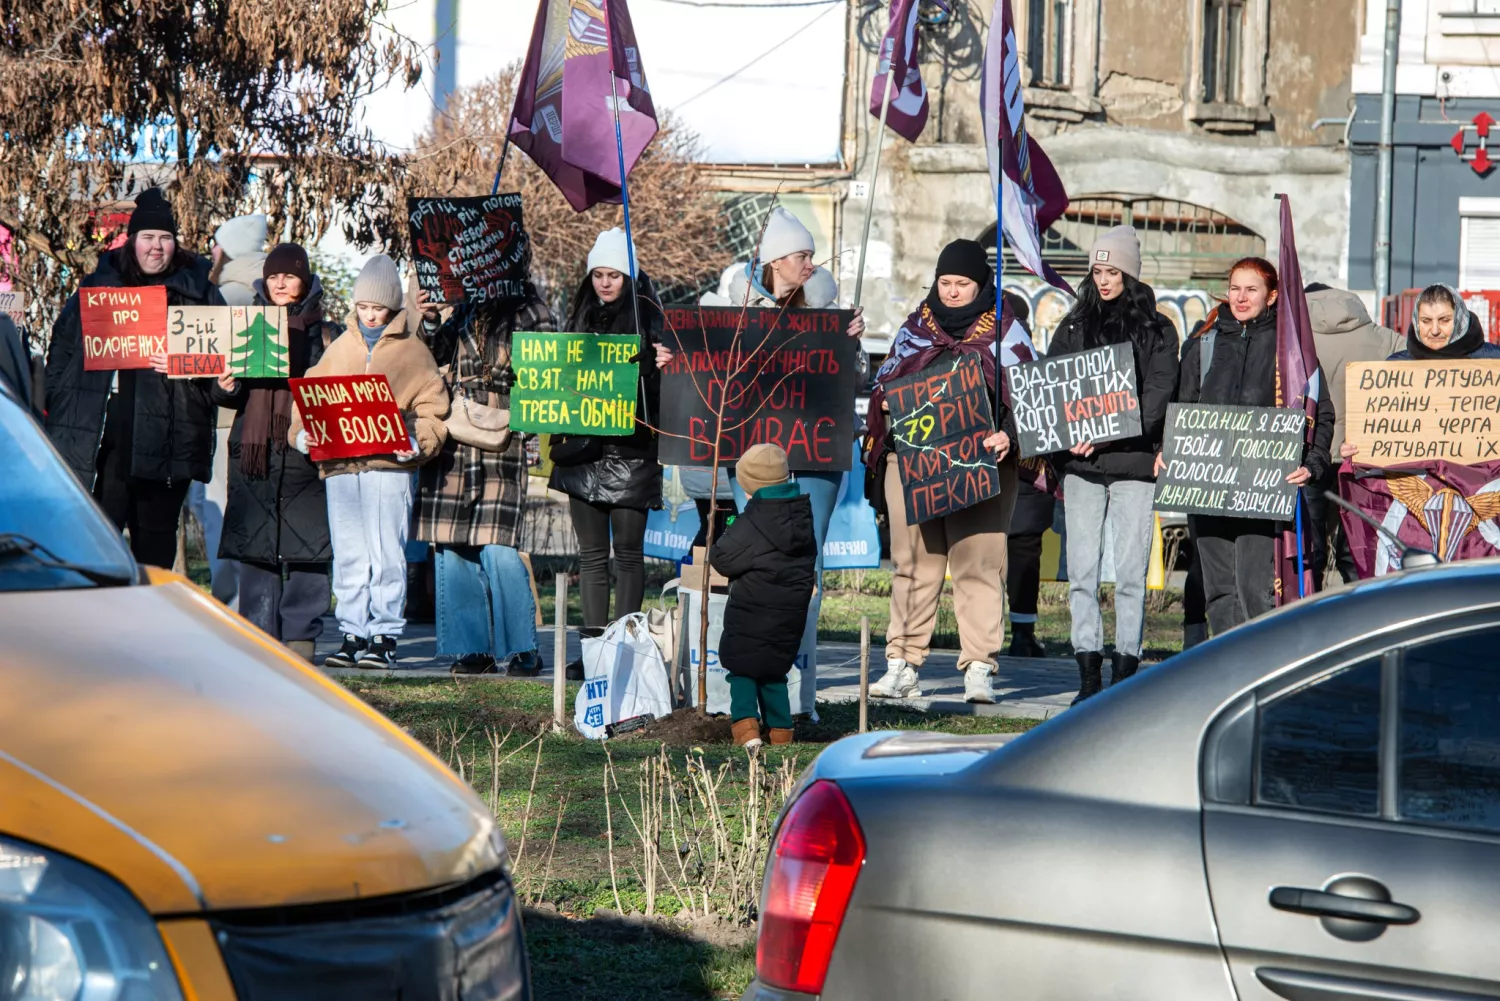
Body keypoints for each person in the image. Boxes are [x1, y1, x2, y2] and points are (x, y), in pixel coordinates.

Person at [688, 207, 865, 710]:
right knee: (762, 562)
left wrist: (850, 348)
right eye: (800, 255)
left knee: (808, 564)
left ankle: (799, 682)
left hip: (816, 456)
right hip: (757, 455)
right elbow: (704, 372)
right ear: (773, 261)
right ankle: (762, 677)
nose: (810, 263)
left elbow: (855, 383)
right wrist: (673, 359)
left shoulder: (830, 311)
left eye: (811, 255)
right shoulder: (734, 312)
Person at [864, 239, 1017, 704]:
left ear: (982, 284)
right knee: (913, 565)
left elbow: (1026, 395)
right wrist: (887, 398)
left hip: (982, 468)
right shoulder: (915, 330)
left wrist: (1008, 433)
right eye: (945, 282)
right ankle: (902, 664)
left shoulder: (1007, 333)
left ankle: (979, 668)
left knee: (978, 567)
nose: (952, 292)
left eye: (962, 284)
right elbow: (884, 381)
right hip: (913, 466)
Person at [44, 188, 224, 568]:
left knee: (154, 551)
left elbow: (221, 372)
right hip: (102, 438)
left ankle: (152, 624)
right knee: (97, 543)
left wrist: (186, 364)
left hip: (168, 442)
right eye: (148, 237)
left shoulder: (200, 295)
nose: (156, 247)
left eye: (166, 238)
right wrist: (56, 406)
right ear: (132, 241)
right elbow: (61, 353)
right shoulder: (95, 289)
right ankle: (98, 624)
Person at [289, 254, 449, 669]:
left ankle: (385, 634)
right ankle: (352, 632)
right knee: (349, 553)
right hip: (341, 465)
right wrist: (302, 433)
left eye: (378, 307)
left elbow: (433, 409)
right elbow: (307, 399)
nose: (370, 315)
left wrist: (418, 441)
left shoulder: (414, 352)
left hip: (389, 466)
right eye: (363, 307)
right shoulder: (338, 347)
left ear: (394, 306)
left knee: (386, 550)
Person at [1165, 257, 1334, 636]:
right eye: (1235, 288)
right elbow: (1180, 411)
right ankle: (1226, 671)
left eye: (1251, 289)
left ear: (1272, 296)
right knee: (1218, 591)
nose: (1240, 297)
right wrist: (1170, 450)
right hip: (1207, 484)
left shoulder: (1293, 354)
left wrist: (1313, 464)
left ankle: (1259, 670)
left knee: (1256, 589)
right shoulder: (1203, 344)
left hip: (1262, 489)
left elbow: (1321, 415)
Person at [1045, 226, 1178, 701]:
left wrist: (1099, 434)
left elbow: (1158, 397)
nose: (1104, 280)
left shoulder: (1159, 329)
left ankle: (1124, 673)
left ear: (1130, 273)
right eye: (1097, 271)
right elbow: (1053, 388)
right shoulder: (1074, 325)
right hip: (1081, 469)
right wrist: (1067, 435)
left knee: (1129, 574)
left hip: (1135, 466)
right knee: (1080, 572)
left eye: (1113, 271)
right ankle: (1087, 675)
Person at [414, 267, 553, 676]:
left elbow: (545, 376)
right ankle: (471, 648)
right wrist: (431, 319)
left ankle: (523, 647)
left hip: (501, 442)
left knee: (499, 548)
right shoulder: (463, 306)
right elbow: (431, 358)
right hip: (455, 443)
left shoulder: (531, 311)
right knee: (455, 546)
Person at [550, 229, 673, 676]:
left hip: (632, 454)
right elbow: (556, 383)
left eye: (614, 275)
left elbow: (664, 399)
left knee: (627, 553)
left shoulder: (653, 324)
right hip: (582, 454)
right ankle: (593, 651)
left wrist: (658, 369)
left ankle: (623, 648)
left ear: (630, 277)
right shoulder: (576, 320)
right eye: (598, 274)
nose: (605, 283)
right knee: (591, 557)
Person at [212, 243, 339, 661]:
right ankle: (259, 635)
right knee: (256, 544)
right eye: (273, 276)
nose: (280, 282)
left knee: (308, 546)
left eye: (289, 275)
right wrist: (224, 386)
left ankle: (302, 635)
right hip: (254, 450)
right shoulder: (242, 324)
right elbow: (227, 395)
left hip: (304, 448)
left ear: (305, 280)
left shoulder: (327, 331)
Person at [709, 444, 816, 748]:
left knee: (742, 671)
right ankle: (782, 732)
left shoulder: (752, 521)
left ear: (751, 486)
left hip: (750, 614)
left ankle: (747, 731)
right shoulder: (802, 515)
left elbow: (723, 559)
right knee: (774, 673)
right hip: (789, 616)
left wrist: (727, 532)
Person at [1341, 283, 1500, 470]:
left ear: (1460, 320)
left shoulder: (1493, 362)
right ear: (1416, 321)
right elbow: (1377, 431)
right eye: (1426, 321)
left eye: (1444, 320)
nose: (1434, 330)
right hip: (1416, 487)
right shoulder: (1395, 369)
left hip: (1483, 486)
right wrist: (1355, 448)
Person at [193, 212, 268, 608]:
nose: (210, 251)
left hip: (224, 423)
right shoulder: (263, 294)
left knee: (220, 515)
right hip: (255, 423)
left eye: (215, 244)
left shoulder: (228, 298)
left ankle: (232, 607)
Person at [1304, 283, 1401, 583]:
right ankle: (1359, 613)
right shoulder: (1385, 339)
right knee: (1357, 547)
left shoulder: (1294, 339)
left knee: (1310, 545)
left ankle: (1309, 613)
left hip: (1309, 453)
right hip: (1364, 455)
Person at [1000, 293, 1051, 659]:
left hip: (1024, 473)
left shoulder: (1033, 362)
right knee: (1018, 554)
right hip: (1022, 474)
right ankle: (1020, 632)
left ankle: (1018, 631)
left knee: (1015, 553)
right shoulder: (1038, 362)